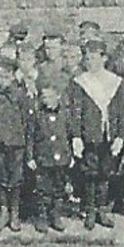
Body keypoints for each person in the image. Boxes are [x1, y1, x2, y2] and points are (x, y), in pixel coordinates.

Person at [67, 38, 124, 228]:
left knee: (105, 172)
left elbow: (120, 112)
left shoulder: (115, 81)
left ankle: (102, 209)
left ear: (104, 58)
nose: (90, 62)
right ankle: (90, 210)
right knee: (89, 173)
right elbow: (76, 111)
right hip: (89, 135)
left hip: (108, 135)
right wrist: (76, 136)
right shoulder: (80, 82)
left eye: (95, 58)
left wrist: (120, 136)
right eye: (87, 58)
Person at [0, 58, 33, 231]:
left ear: (12, 77)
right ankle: (3, 211)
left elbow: (27, 122)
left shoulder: (20, 95)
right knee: (0, 177)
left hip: (16, 145)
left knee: (16, 179)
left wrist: (25, 143)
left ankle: (15, 212)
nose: (2, 80)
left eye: (6, 76)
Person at [27, 78, 73, 233]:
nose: (46, 100)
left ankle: (56, 215)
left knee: (58, 188)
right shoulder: (37, 115)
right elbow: (30, 137)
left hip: (61, 157)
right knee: (42, 188)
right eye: (43, 97)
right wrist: (30, 157)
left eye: (50, 96)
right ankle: (42, 216)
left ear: (58, 96)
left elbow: (71, 135)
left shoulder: (65, 114)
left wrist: (71, 155)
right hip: (43, 157)